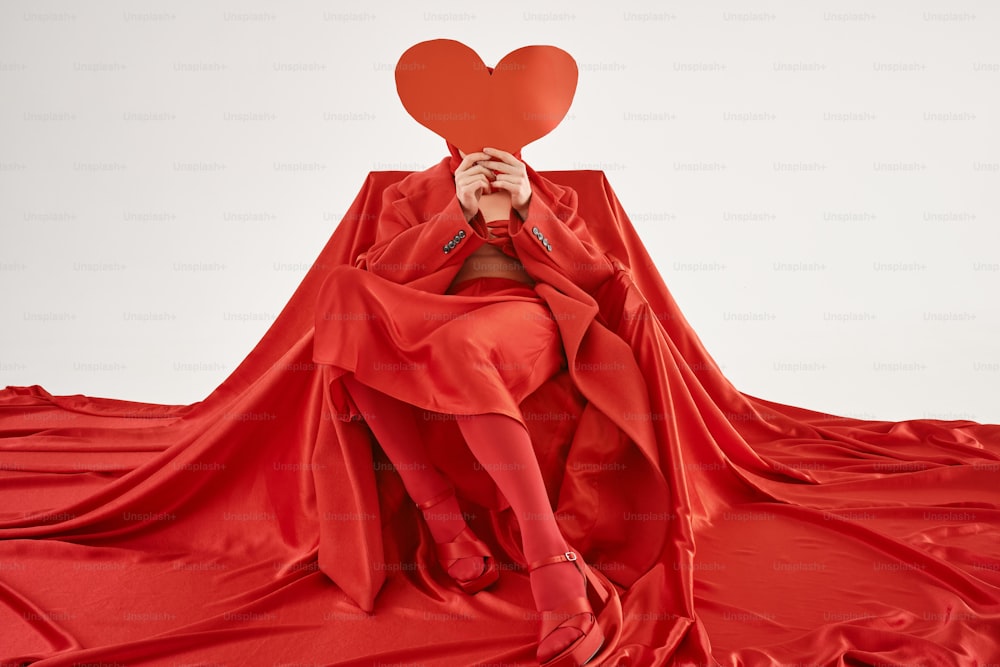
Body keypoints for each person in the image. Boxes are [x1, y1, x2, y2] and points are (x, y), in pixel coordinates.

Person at [314, 141, 615, 666]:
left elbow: (595, 277)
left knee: (462, 344)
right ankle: (441, 514)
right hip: (430, 310)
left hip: (523, 314)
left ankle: (551, 558)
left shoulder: (555, 194)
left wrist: (529, 208)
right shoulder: (408, 192)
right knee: (343, 291)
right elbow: (380, 275)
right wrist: (457, 213)